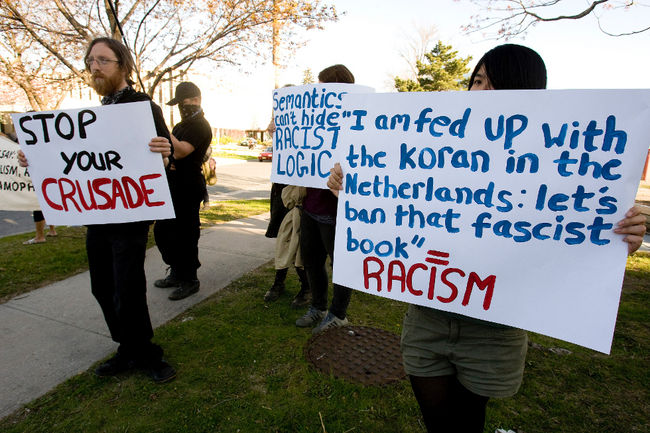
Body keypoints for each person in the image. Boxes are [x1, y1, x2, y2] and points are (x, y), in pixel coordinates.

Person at [327, 44, 647, 432]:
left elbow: (572, 235)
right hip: (427, 320)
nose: (480, 93)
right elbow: (397, 197)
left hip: (494, 332)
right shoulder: (435, 145)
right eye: (477, 80)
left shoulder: (555, 161)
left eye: (496, 85)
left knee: (467, 422)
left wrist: (618, 239)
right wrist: (355, 187)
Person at [18, 37, 176, 383]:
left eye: (103, 60)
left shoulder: (143, 107)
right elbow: (71, 161)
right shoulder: (95, 115)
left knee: (128, 285)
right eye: (90, 61)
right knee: (102, 286)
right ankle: (126, 346)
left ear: (123, 65)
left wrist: (164, 152)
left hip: (130, 216)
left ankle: (146, 352)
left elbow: (167, 159)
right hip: (98, 217)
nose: (94, 67)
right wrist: (36, 157)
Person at [295, 64, 355, 334]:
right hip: (310, 206)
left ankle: (338, 313)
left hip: (337, 210)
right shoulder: (313, 120)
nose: (318, 92)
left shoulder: (355, 121)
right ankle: (317, 306)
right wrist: (280, 130)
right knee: (311, 261)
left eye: (322, 86)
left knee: (341, 265)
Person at [153, 82, 213, 300]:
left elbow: (179, 152)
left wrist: (162, 128)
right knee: (163, 233)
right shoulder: (182, 125)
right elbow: (168, 154)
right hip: (172, 186)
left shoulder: (200, 125)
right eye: (178, 104)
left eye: (183, 103)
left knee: (186, 236)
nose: (181, 107)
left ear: (196, 100)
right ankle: (176, 272)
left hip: (188, 188)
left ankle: (190, 279)